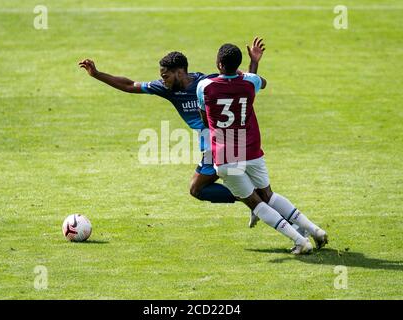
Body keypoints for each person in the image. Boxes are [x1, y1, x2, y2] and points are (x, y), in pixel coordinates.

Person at [79, 38, 276, 228]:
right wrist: (96, 74)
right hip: (224, 143)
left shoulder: (205, 83)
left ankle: (254, 201)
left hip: (217, 145)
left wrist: (252, 65)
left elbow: (244, 85)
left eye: (166, 75)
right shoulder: (168, 88)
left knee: (197, 189)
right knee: (220, 188)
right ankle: (255, 201)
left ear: (180, 72)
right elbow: (129, 85)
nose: (162, 80)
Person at [197, 43, 328, 254]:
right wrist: (254, 63)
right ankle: (315, 230)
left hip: (226, 154)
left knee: (255, 203)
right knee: (268, 194)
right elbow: (260, 82)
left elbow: (204, 119)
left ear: (219, 64)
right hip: (252, 149)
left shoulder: (204, 86)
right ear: (237, 64)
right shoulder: (250, 82)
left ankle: (300, 241)